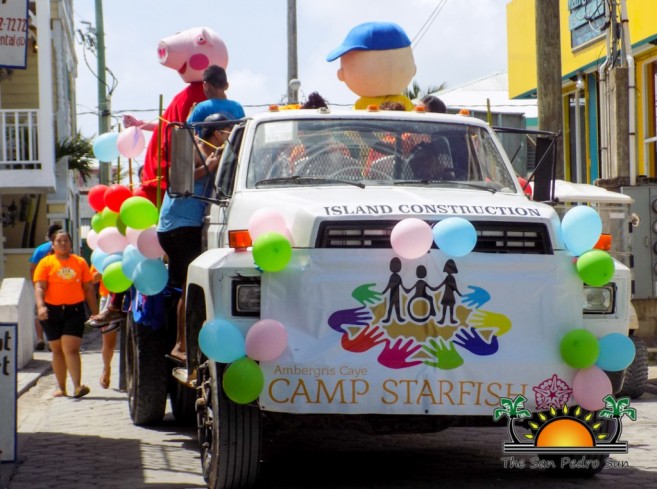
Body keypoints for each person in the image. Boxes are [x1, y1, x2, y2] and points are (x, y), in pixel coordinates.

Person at [158, 111, 239, 361]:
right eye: (227, 132)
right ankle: (180, 346)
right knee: (187, 286)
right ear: (217, 133)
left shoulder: (211, 152)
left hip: (182, 226)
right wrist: (210, 168)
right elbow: (177, 179)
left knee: (186, 285)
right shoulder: (196, 151)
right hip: (179, 226)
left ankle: (183, 343)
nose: (228, 137)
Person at [33, 230, 98, 398]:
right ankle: (61, 388)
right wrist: (40, 307)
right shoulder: (46, 263)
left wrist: (95, 312)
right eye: (59, 241)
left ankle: (77, 386)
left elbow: (89, 288)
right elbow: (39, 286)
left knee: (71, 348)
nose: (63, 244)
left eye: (66, 241)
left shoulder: (80, 262)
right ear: (53, 245)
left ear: (71, 244)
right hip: (51, 311)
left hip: (74, 310)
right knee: (57, 350)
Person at [29, 222, 62, 350]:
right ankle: (52, 341)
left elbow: (32, 268)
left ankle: (39, 339)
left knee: (39, 312)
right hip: (57, 286)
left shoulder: (40, 249)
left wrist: (35, 284)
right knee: (56, 314)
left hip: (41, 285)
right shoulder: (62, 247)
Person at [90, 265, 117, 389]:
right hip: (108, 297)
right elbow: (94, 278)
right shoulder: (102, 253)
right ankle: (106, 368)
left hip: (132, 296)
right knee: (108, 341)